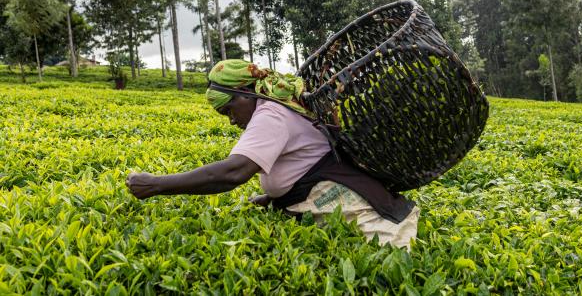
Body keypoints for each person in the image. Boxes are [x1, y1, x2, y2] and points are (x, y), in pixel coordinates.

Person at [126, 59, 419, 249]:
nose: (230, 120)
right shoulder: (279, 106)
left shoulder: (270, 114)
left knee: (388, 253)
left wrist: (157, 184)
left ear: (246, 91)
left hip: (349, 202)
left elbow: (233, 173)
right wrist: (274, 197)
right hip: (329, 193)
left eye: (229, 109)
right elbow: (304, 160)